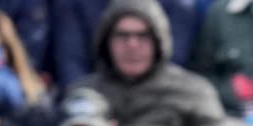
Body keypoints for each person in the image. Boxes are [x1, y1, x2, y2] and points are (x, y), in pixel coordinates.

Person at [69, 0, 232, 126]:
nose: (132, 45)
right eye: (122, 35)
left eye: (143, 35)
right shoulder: (83, 93)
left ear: (158, 40)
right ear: (106, 39)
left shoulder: (194, 92)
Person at [50, 0, 200, 89]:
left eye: (143, 36)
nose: (132, 44)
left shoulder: (177, 5)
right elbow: (71, 61)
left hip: (159, 93)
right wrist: (84, 100)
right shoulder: (76, 4)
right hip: (97, 90)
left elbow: (173, 57)